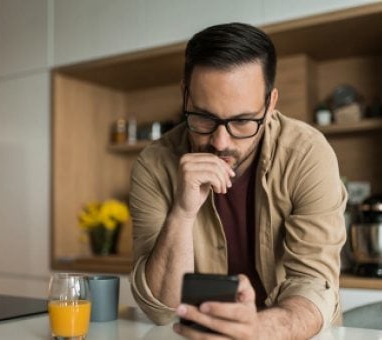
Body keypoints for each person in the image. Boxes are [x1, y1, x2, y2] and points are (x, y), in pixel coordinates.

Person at [129, 22, 347, 339]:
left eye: (243, 121)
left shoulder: (307, 155)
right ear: (184, 96)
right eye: (203, 117)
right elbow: (162, 308)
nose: (220, 142)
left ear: (270, 105)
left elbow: (314, 284)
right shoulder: (153, 165)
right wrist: (182, 212)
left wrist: (260, 329)